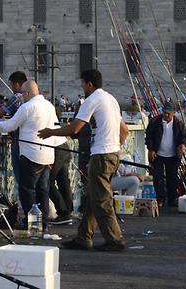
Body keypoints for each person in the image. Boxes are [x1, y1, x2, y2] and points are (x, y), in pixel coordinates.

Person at [39, 69, 128, 252]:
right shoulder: (111, 99)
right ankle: (83, 237)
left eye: (83, 84)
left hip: (101, 156)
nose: (82, 88)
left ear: (89, 84)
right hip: (113, 155)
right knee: (93, 197)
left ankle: (115, 239)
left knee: (102, 199)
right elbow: (125, 131)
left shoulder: (92, 100)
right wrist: (114, 147)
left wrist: (50, 132)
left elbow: (74, 129)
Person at [0, 80, 58, 231]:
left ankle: (32, 224)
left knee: (27, 191)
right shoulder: (49, 106)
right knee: (43, 190)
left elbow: (11, 125)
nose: (21, 96)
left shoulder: (27, 107)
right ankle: (43, 223)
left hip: (31, 156)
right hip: (48, 156)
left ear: (28, 93)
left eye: (22, 93)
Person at [144, 102, 186, 207]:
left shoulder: (179, 123)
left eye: (169, 113)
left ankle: (172, 198)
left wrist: (182, 144)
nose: (166, 115)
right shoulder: (154, 121)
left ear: (173, 113)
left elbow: (185, 137)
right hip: (158, 154)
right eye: (165, 113)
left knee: (172, 177)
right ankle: (160, 198)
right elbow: (148, 137)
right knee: (157, 177)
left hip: (173, 155)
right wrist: (151, 149)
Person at [2, 71, 28, 180]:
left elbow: (0, 113)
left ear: (17, 84)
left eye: (11, 85)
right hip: (28, 142)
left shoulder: (16, 97)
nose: (11, 88)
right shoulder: (29, 97)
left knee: (19, 176)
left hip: (17, 140)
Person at [48, 130, 74, 225]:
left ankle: (63, 212)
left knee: (47, 182)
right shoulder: (50, 115)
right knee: (63, 182)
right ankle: (68, 211)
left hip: (55, 148)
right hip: (64, 146)